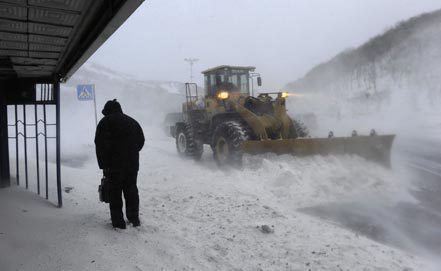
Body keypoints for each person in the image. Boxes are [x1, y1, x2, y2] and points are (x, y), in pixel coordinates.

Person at [95, 99, 145, 229]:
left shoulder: (105, 122)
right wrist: (132, 153)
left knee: (115, 193)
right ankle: (134, 219)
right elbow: (141, 140)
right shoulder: (132, 122)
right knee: (131, 190)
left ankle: (118, 223)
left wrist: (104, 164)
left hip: (113, 166)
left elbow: (100, 145)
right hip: (132, 165)